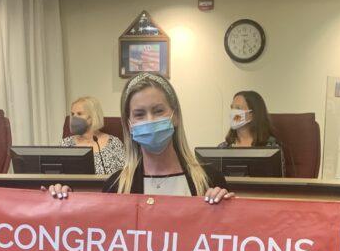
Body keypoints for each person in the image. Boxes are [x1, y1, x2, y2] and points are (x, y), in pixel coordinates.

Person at [46, 73, 233, 201]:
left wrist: (229, 208)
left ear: (174, 116)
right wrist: (63, 202)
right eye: (139, 114)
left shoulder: (210, 180)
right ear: (129, 124)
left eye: (158, 111)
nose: (150, 120)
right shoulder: (116, 186)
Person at [219, 91, 285, 176]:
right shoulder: (223, 148)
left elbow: (279, 183)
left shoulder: (271, 148)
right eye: (232, 108)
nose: (233, 113)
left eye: (238, 108)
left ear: (252, 115)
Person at [61, 96, 124, 175]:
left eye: (79, 114)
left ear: (93, 116)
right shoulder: (66, 144)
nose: (74, 118)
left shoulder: (114, 143)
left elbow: (125, 174)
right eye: (72, 114)